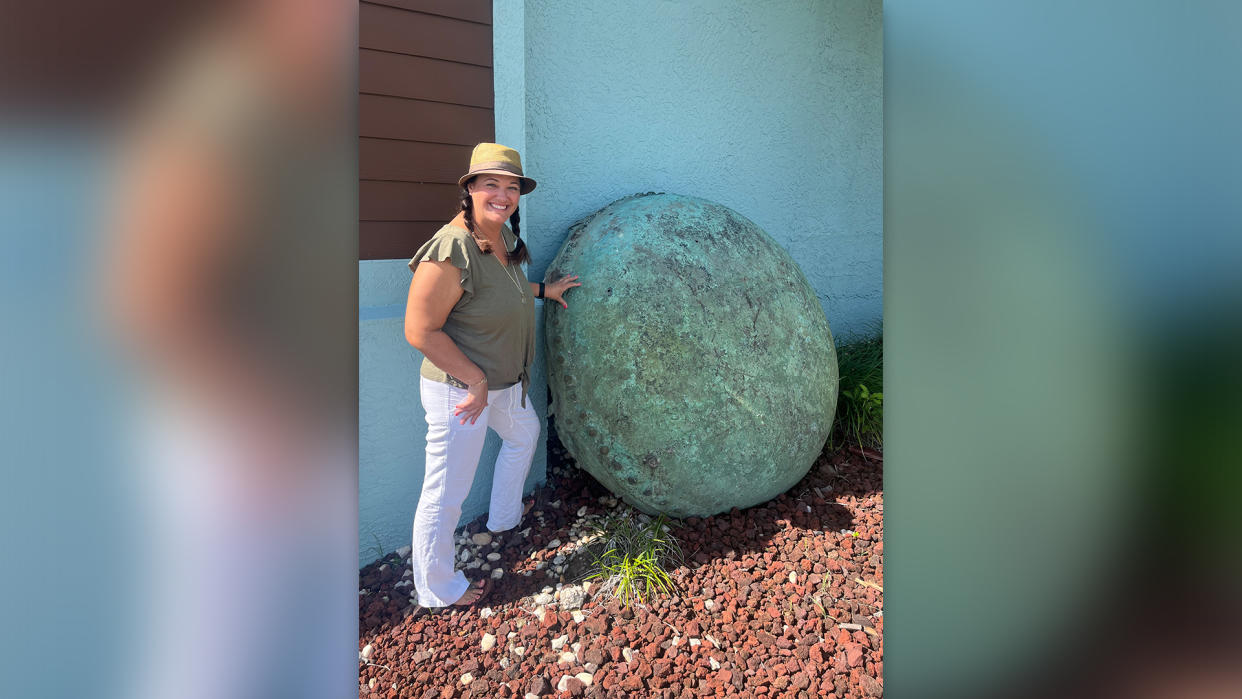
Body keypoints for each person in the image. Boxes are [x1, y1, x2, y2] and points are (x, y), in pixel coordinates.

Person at [404, 143, 580, 607]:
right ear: (470, 189)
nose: (503, 195)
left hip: (501, 382)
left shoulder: (501, 236)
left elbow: (506, 289)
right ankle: (438, 589)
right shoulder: (452, 246)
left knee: (525, 433)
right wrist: (475, 381)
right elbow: (420, 329)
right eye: (491, 184)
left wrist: (545, 289)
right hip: (461, 390)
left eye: (512, 187)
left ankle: (503, 518)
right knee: (446, 493)